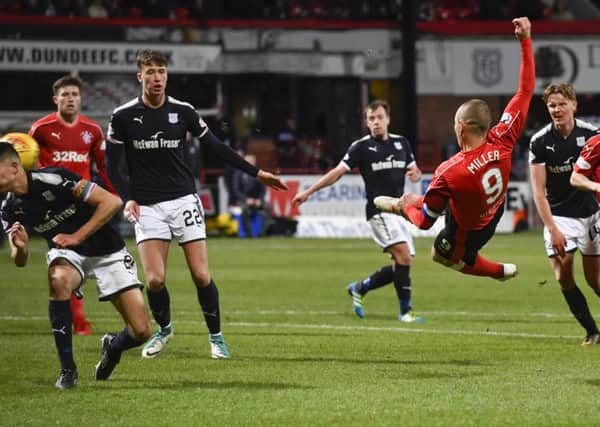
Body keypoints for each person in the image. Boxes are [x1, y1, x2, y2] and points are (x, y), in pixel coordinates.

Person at [106, 49, 287, 360]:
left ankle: (216, 338)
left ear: (167, 75)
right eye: (150, 72)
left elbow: (217, 147)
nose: (157, 77)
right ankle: (164, 330)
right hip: (148, 206)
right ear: (140, 76)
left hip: (183, 200)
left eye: (161, 71)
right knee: (154, 280)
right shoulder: (122, 116)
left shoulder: (184, 111)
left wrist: (258, 173)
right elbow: (112, 166)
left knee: (201, 275)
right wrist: (129, 197)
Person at [375, 17, 534, 283]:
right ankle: (412, 201)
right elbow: (526, 90)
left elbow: (424, 223)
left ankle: (496, 272)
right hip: (494, 212)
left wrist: (405, 208)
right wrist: (526, 40)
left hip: (467, 229)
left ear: (462, 127)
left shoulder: (449, 171)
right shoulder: (503, 138)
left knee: (441, 255)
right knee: (449, 201)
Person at [0, 141, 151, 389]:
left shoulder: (54, 178)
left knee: (142, 331)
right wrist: (21, 247)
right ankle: (68, 371)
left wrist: (77, 236)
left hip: (107, 251)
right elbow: (20, 261)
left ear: (15, 167)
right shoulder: (9, 209)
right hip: (68, 254)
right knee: (57, 279)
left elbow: (111, 202)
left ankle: (113, 347)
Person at [292, 99, 424, 323]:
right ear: (366, 122)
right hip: (378, 211)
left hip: (400, 212)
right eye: (371, 118)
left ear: (388, 119)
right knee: (403, 255)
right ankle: (405, 312)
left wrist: (416, 174)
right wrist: (308, 192)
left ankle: (360, 288)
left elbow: (415, 171)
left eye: (379, 117)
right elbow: (337, 172)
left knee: (402, 264)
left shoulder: (402, 143)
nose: (376, 122)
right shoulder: (361, 147)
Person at [29, 75, 116, 336]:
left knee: (91, 261)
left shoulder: (93, 131)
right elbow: (29, 166)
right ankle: (78, 323)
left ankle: (75, 317)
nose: (70, 99)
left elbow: (103, 167)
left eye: (74, 95)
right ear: (55, 99)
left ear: (81, 99)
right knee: (64, 263)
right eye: (65, 95)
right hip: (54, 209)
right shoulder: (40, 129)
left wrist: (114, 195)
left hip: (86, 206)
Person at [530, 83, 600, 346]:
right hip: (559, 216)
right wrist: (553, 229)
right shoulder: (540, 141)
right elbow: (538, 192)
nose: (557, 109)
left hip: (591, 214)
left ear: (574, 105)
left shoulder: (592, 134)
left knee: (595, 280)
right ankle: (592, 331)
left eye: (561, 104)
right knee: (563, 274)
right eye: (552, 105)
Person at [230, 153, 269, 238]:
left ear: (254, 162)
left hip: (256, 200)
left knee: (268, 207)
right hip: (243, 200)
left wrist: (260, 199)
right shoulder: (238, 173)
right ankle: (249, 234)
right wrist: (246, 199)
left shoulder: (259, 173)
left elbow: (263, 189)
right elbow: (236, 190)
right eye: (247, 161)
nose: (249, 163)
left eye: (251, 161)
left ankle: (262, 233)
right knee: (244, 209)